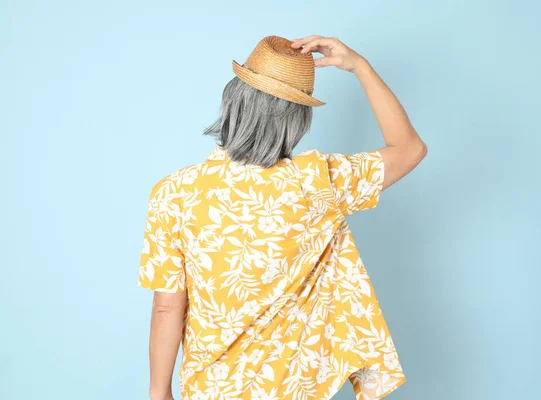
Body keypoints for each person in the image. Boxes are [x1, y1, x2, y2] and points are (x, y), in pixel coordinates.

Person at [138, 35, 427, 400]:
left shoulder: (174, 193)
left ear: (232, 101)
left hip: (210, 389)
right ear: (298, 120)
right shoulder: (319, 181)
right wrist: (359, 66)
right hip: (294, 389)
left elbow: (167, 306)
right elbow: (409, 149)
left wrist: (158, 392)